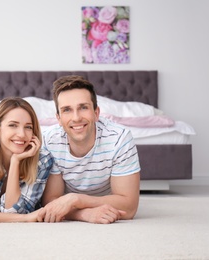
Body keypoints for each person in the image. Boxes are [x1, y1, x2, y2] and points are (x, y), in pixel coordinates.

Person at [38, 75, 141, 224]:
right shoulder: (49, 140)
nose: (76, 118)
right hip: (83, 205)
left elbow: (129, 208)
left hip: (95, 200)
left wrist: (75, 199)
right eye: (67, 110)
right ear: (58, 118)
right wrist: (84, 214)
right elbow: (51, 202)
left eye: (83, 107)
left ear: (96, 113)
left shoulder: (119, 138)